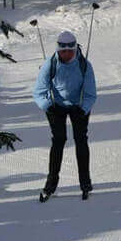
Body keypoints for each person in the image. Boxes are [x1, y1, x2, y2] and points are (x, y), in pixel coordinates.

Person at [33, 30, 97, 201]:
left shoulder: (84, 65)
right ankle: (50, 186)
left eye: (71, 51)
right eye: (63, 51)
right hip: (57, 107)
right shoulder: (50, 64)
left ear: (75, 50)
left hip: (79, 106)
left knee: (81, 139)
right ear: (58, 50)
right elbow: (39, 92)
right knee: (59, 140)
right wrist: (48, 106)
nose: (67, 54)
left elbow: (91, 94)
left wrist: (83, 108)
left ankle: (85, 184)